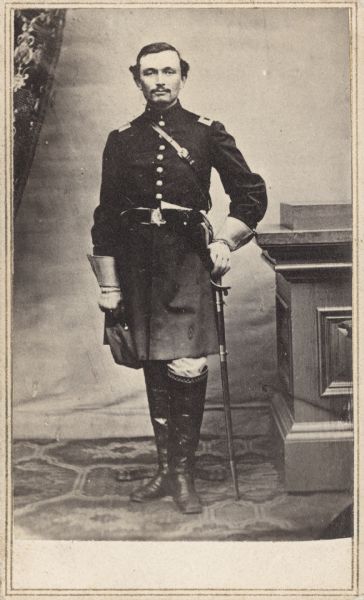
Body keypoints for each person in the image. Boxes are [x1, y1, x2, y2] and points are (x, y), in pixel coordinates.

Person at [90, 42, 267, 514]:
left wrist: (225, 241)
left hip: (188, 260)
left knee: (186, 364)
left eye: (169, 71)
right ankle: (167, 470)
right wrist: (109, 284)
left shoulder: (206, 133)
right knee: (153, 361)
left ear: (183, 77)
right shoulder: (122, 139)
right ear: (137, 80)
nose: (161, 80)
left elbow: (250, 193)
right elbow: (106, 216)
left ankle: (184, 475)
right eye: (150, 73)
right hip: (137, 264)